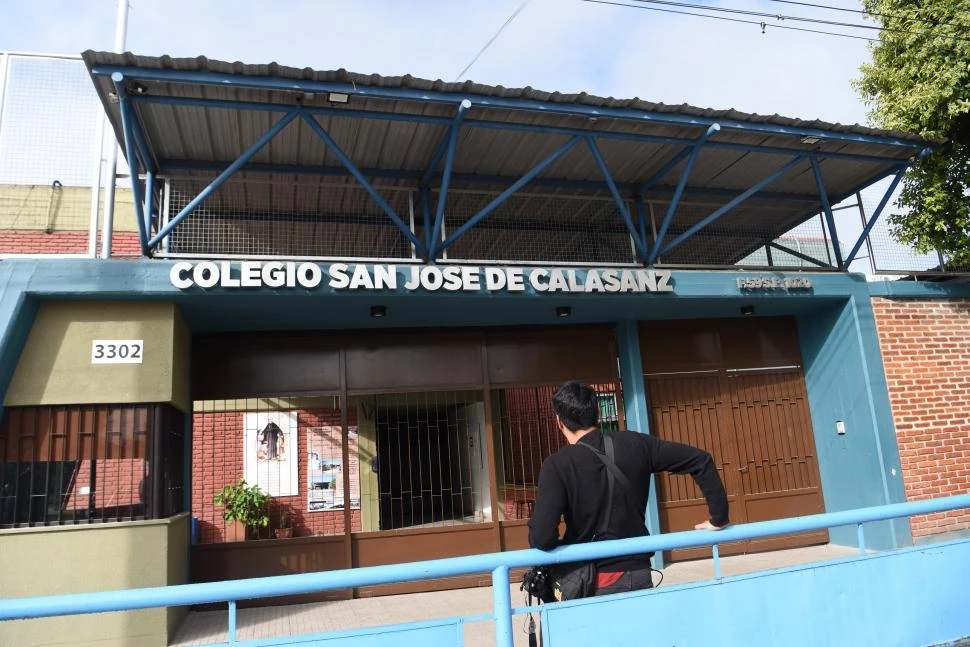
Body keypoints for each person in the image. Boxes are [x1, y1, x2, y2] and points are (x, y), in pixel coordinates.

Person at [528, 380, 730, 597]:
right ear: (596, 413)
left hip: (590, 581)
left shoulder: (557, 465)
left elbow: (542, 538)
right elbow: (700, 460)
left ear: (559, 421)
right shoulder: (637, 444)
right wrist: (719, 517)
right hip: (639, 572)